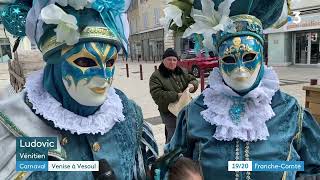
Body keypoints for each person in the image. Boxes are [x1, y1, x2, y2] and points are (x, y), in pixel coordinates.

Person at [157, 0, 320, 179]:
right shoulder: (195, 113)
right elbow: (172, 169)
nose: (240, 69)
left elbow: (313, 168)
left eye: (249, 56)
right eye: (229, 59)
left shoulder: (290, 111)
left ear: (261, 57)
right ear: (219, 62)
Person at [0, 0, 158, 179]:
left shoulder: (127, 117)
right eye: (85, 61)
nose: (103, 77)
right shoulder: (19, 126)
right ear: (55, 63)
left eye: (110, 62)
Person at [149, 48, 199, 143]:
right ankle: (170, 154)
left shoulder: (182, 71)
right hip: (168, 111)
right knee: (173, 135)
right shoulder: (156, 76)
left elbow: (193, 79)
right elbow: (157, 95)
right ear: (163, 60)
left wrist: (192, 85)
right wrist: (176, 95)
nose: (172, 62)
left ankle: (184, 153)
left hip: (185, 107)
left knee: (186, 132)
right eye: (169, 59)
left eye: (174, 60)